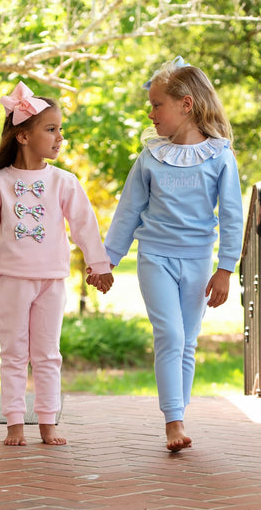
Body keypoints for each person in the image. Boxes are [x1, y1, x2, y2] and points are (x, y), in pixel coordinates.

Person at [87, 56, 243, 452]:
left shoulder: (220, 155)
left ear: (185, 105)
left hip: (197, 261)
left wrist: (225, 269)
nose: (151, 113)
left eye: (158, 104)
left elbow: (231, 215)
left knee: (187, 341)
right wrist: (106, 261)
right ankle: (173, 422)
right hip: (154, 257)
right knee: (170, 335)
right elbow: (128, 212)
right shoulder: (150, 156)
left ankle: (180, 416)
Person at [0, 80, 114, 447]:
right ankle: (15, 422)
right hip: (11, 282)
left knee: (48, 354)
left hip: (52, 281)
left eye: (60, 129)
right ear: (22, 136)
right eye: (51, 129)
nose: (59, 137)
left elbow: (84, 226)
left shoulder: (64, 182)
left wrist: (99, 265)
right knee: (14, 353)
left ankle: (48, 420)